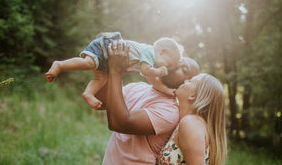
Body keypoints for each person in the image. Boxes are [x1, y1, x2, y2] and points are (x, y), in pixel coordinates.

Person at [45, 32, 182, 109]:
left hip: (108, 62)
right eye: (168, 64)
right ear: (163, 52)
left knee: (101, 78)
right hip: (105, 47)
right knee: (88, 63)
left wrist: (166, 90)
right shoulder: (149, 51)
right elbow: (147, 72)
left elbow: (151, 80)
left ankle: (88, 94)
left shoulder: (149, 61)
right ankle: (60, 65)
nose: (166, 68)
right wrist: (159, 72)